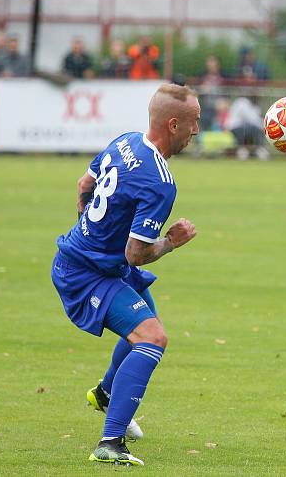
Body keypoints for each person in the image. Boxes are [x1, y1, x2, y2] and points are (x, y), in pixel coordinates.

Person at [51, 83, 200, 466]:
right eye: (193, 122)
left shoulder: (126, 141)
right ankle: (110, 444)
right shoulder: (160, 182)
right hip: (87, 274)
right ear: (173, 124)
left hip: (93, 261)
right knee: (153, 337)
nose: (196, 130)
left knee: (145, 322)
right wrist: (172, 241)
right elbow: (136, 254)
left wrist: (86, 231)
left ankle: (105, 393)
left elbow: (84, 184)